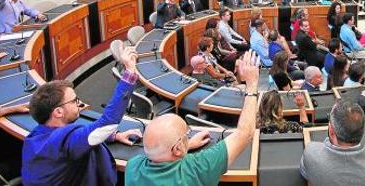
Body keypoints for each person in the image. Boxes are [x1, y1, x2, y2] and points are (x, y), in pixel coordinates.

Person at [125, 51, 260, 185]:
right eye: (187, 134)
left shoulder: (132, 167)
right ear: (177, 149)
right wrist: (252, 84)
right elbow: (244, 133)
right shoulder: (197, 169)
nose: (188, 137)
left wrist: (186, 145)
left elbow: (162, 155)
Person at [22, 42, 143, 185]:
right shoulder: (62, 142)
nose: (79, 104)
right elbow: (107, 122)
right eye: (74, 101)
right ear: (58, 112)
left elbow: (80, 138)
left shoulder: (36, 136)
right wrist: (129, 72)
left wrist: (114, 135)